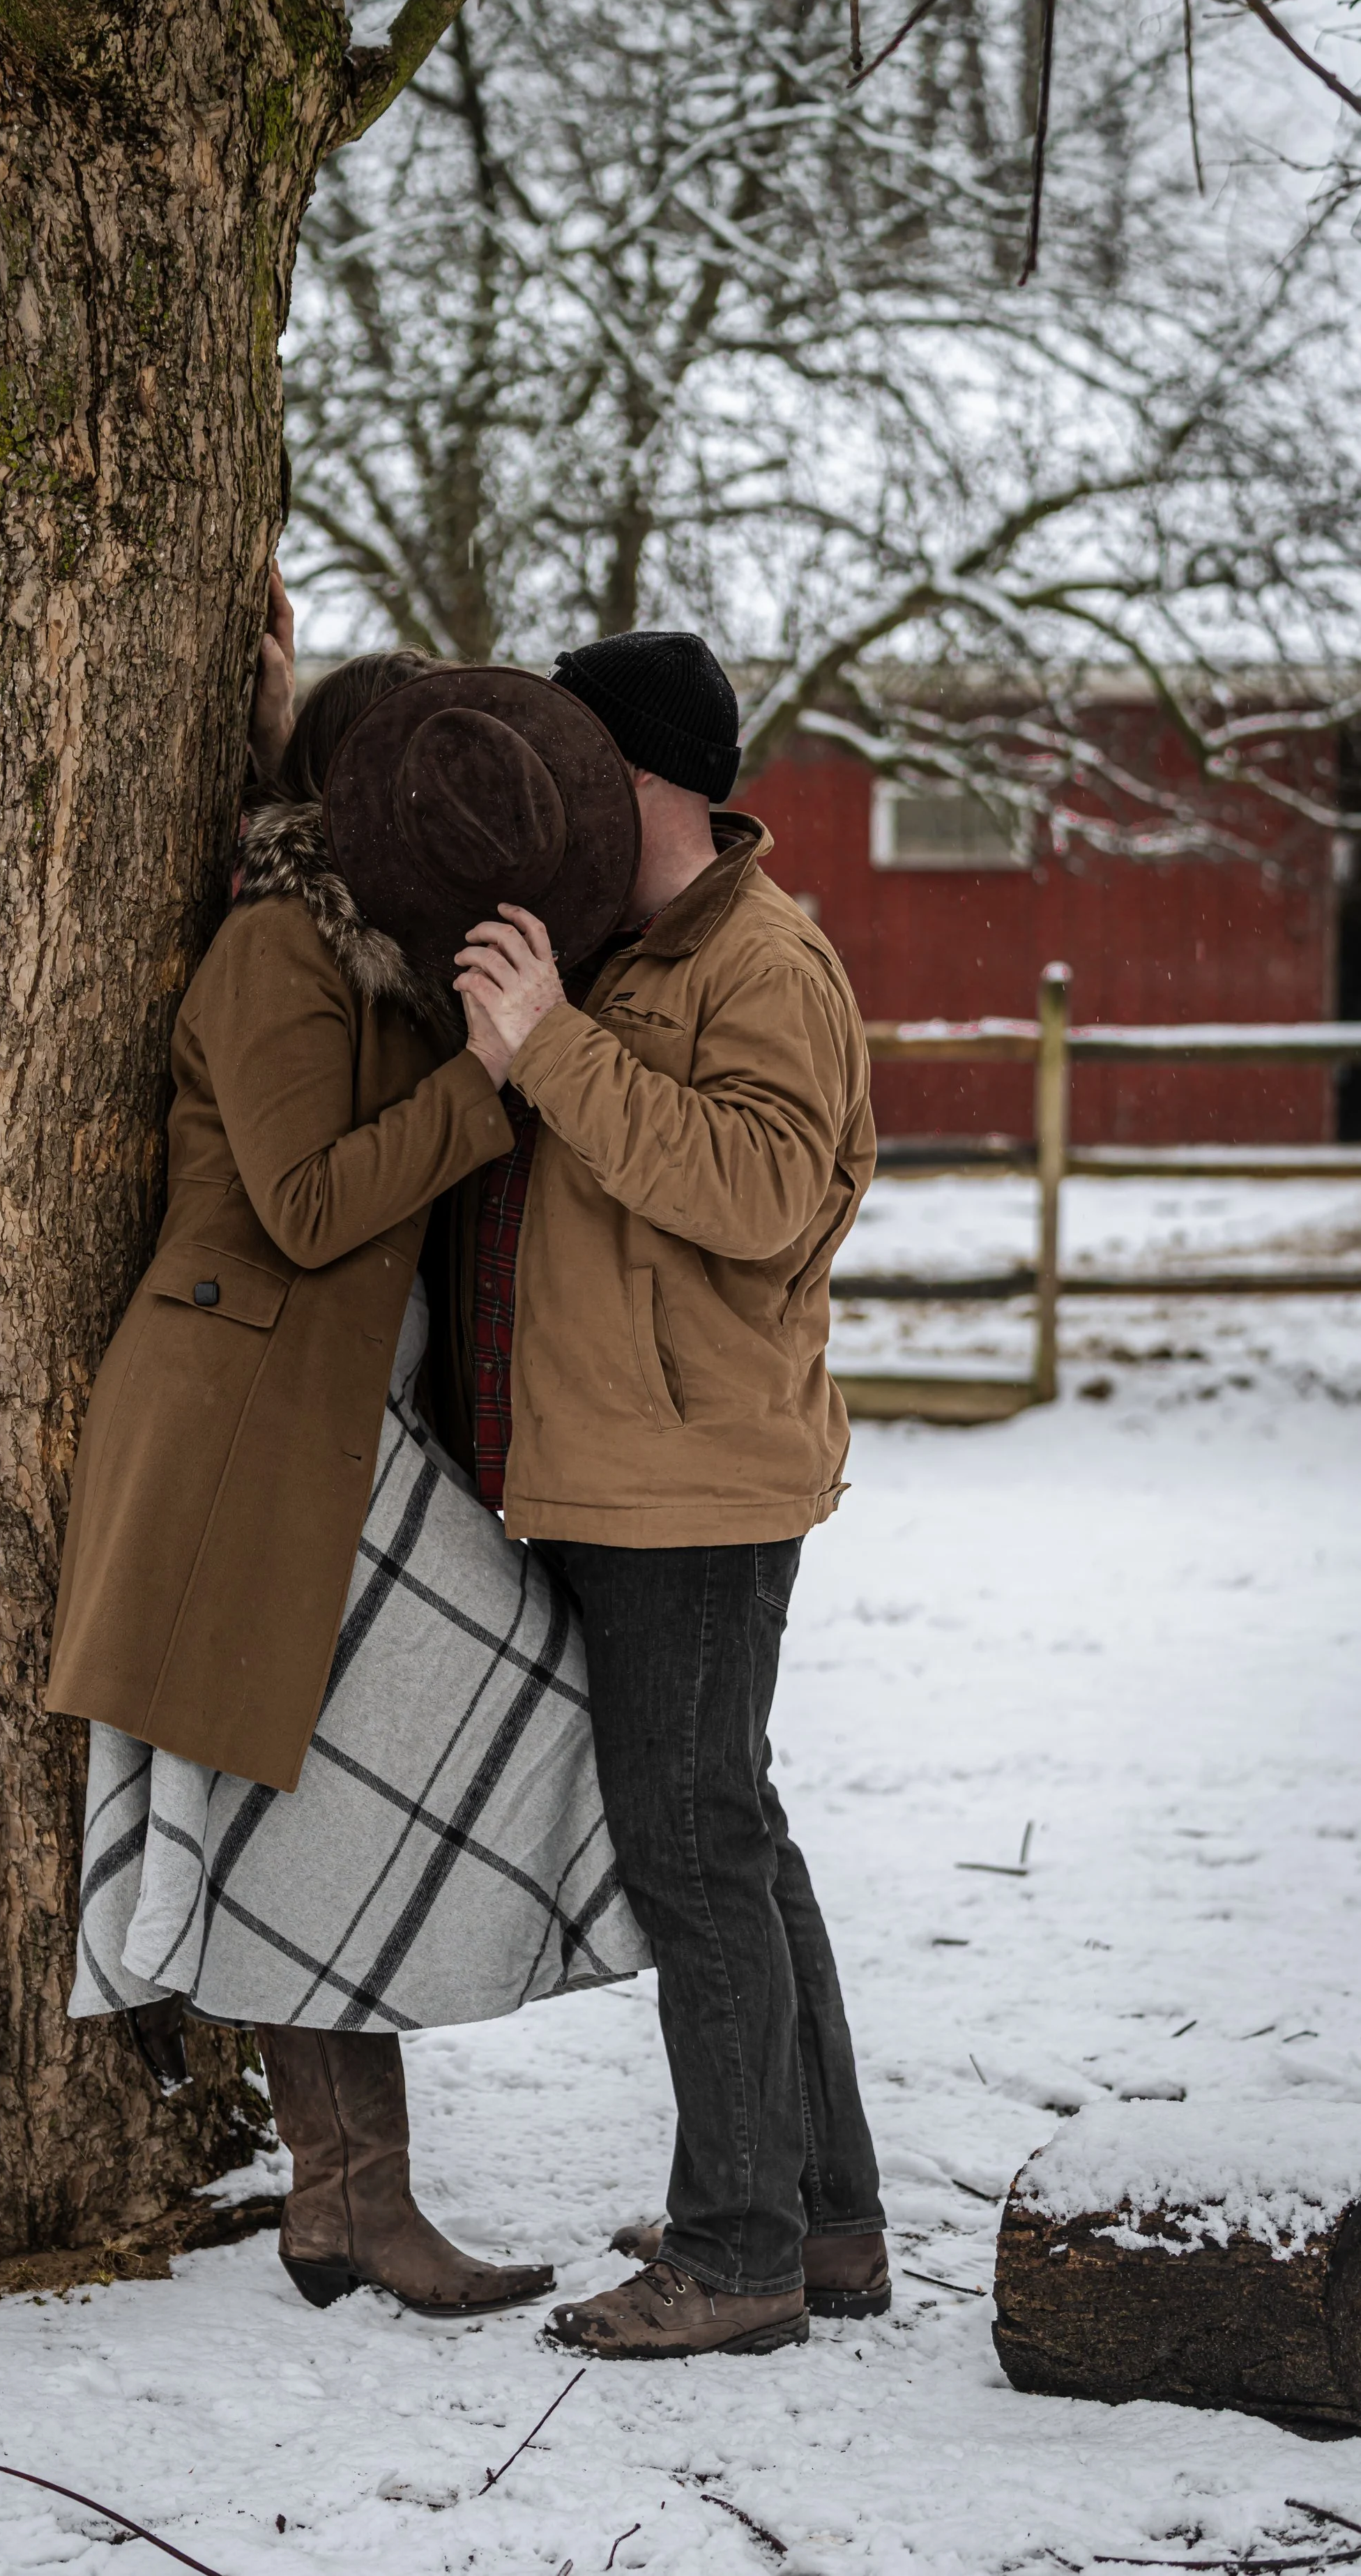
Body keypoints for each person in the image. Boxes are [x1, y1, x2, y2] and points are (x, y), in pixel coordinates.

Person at [43, 621, 650, 2318]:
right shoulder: (274, 954)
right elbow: (308, 1204)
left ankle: (337, 2209)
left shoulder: (378, 940)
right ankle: (351, 2201)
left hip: (346, 1429)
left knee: (374, 1767)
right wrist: (488, 1086)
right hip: (242, 1434)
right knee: (343, 1774)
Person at [436, 628, 890, 2361]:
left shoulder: (759, 962)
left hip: (691, 1488)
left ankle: (736, 2253)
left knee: (694, 1855)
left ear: (643, 782)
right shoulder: (637, 949)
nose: (545, 800)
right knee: (733, 1846)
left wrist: (550, 1045)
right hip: (636, 1469)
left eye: (570, 768)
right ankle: (819, 2223)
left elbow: (762, 1190)